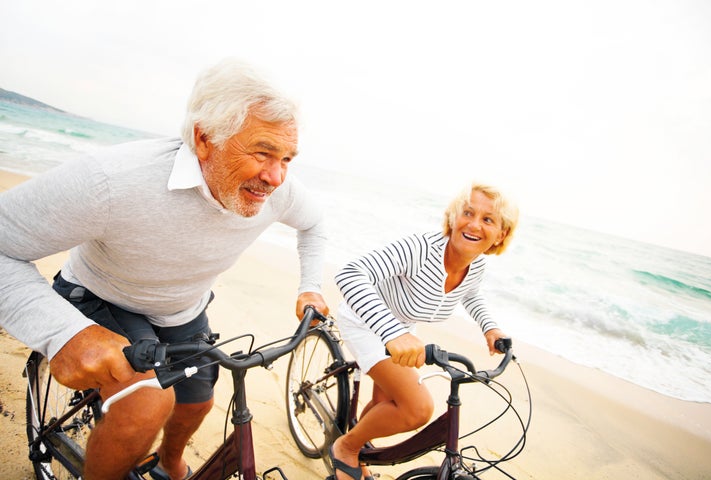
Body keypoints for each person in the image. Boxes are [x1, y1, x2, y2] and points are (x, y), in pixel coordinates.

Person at [0, 58, 329, 480]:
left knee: (198, 401)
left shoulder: (277, 190)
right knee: (146, 405)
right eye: (263, 152)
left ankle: (170, 462)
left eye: (287, 158)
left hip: (180, 309)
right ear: (203, 138)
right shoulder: (112, 182)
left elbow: (315, 224)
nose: (276, 177)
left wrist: (310, 286)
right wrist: (63, 332)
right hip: (101, 296)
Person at [330, 182, 519, 480]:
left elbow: (470, 294)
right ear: (453, 217)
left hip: (402, 327)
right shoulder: (420, 248)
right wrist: (393, 333)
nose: (473, 224)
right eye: (467, 213)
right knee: (416, 408)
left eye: (487, 219)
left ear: (501, 233)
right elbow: (350, 274)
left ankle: (358, 445)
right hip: (366, 321)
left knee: (386, 403)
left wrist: (490, 327)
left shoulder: (476, 265)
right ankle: (345, 447)